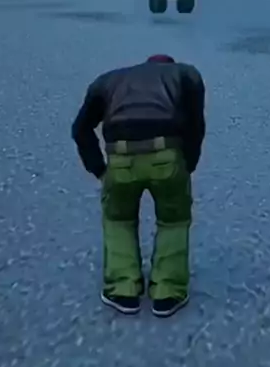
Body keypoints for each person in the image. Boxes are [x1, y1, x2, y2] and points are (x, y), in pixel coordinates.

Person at [71, 54, 206, 318]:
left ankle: (123, 289)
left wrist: (99, 169)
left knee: (118, 220)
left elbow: (80, 128)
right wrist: (188, 164)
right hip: (167, 156)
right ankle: (167, 292)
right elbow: (195, 125)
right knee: (173, 221)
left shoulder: (108, 80)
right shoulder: (185, 75)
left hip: (120, 158)